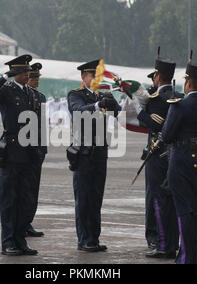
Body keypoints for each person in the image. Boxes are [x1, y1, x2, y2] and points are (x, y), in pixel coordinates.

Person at [162, 56, 197, 264]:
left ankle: (185, 259)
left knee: (185, 212)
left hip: (181, 162)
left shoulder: (179, 106)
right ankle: (192, 256)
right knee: (195, 213)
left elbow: (167, 136)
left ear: (188, 82)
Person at [123, 54, 181, 259]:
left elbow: (156, 123)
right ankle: (172, 241)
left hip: (158, 155)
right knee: (172, 200)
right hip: (174, 155)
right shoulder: (178, 95)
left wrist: (139, 109)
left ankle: (159, 241)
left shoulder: (157, 99)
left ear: (157, 77)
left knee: (157, 199)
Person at [0, 54, 39, 256]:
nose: (28, 74)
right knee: (9, 199)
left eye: (28, 71)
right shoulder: (6, 91)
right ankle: (8, 242)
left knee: (24, 198)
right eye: (24, 71)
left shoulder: (30, 93)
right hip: (11, 148)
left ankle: (20, 240)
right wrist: (5, 75)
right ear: (16, 73)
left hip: (28, 149)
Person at [67, 60, 121, 252]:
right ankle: (84, 239)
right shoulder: (76, 94)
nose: (96, 79)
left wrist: (118, 96)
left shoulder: (104, 94)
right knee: (83, 198)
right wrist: (98, 105)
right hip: (83, 153)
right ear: (84, 77)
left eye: (98, 76)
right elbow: (77, 110)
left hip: (99, 152)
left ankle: (94, 238)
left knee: (96, 197)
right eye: (93, 76)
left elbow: (119, 113)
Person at [25, 63, 47, 238]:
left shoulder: (41, 97)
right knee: (22, 188)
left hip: (38, 146)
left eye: (38, 77)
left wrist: (44, 147)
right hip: (25, 146)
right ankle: (20, 222)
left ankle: (28, 222)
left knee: (33, 188)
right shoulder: (23, 95)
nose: (37, 80)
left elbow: (43, 124)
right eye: (34, 77)